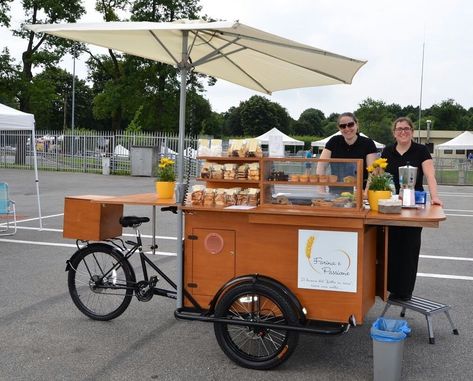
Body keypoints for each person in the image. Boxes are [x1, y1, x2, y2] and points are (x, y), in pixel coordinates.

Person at [381, 116, 443, 301]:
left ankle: (405, 290)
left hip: (415, 204)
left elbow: (430, 176)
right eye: (399, 129)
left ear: (412, 131)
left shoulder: (421, 150)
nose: (403, 132)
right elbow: (378, 175)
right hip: (391, 205)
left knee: (409, 246)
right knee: (390, 245)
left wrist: (435, 197)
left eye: (406, 128)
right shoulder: (387, 151)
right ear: (394, 133)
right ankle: (391, 287)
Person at [316, 112, 378, 192]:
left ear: (357, 125)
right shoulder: (333, 141)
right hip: (336, 194)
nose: (347, 128)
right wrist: (321, 191)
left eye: (350, 124)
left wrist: (366, 193)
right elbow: (321, 166)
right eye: (343, 126)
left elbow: (372, 172)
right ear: (339, 128)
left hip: (360, 193)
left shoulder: (368, 143)